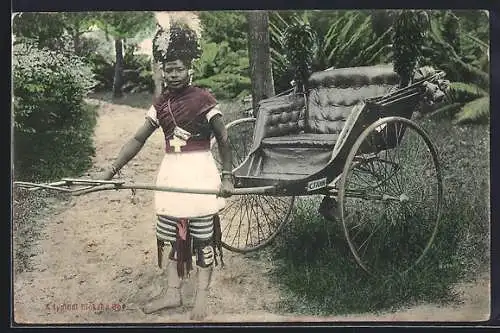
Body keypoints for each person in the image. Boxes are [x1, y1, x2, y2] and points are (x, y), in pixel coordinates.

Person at [98, 18, 234, 321]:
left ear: (190, 69)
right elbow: (137, 138)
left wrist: (227, 175)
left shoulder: (204, 99)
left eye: (178, 69)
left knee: (201, 237)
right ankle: (172, 291)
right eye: (168, 69)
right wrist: (112, 168)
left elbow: (223, 138)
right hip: (170, 176)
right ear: (162, 70)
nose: (173, 74)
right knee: (168, 235)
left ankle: (201, 296)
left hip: (199, 175)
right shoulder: (160, 105)